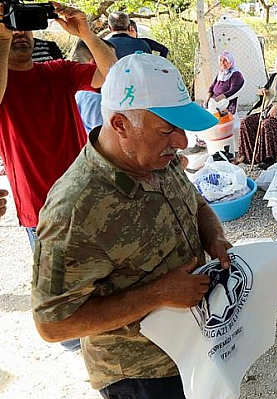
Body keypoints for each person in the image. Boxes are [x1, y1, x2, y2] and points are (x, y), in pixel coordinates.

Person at [32, 53, 231, 399]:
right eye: (168, 129)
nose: (183, 142)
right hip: (143, 377)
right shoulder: (74, 209)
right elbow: (52, 323)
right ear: (121, 125)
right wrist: (157, 294)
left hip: (197, 344)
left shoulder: (154, 157)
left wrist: (215, 238)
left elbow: (195, 203)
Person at [0, 3, 117, 251]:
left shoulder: (58, 71)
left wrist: (86, 32)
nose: (19, 33)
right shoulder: (3, 88)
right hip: (42, 212)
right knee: (61, 290)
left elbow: (113, 74)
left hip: (86, 198)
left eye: (23, 26)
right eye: (11, 26)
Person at [72, 39, 116, 133]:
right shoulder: (95, 100)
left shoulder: (79, 93)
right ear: (94, 63)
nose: (117, 65)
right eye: (112, 61)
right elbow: (109, 135)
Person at [203, 51, 245, 116]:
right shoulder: (221, 73)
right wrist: (207, 98)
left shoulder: (236, 75)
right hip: (213, 101)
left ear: (230, 61)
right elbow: (211, 87)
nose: (222, 63)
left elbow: (232, 91)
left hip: (226, 102)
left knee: (209, 111)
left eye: (225, 60)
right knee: (198, 111)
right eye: (220, 60)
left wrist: (216, 100)